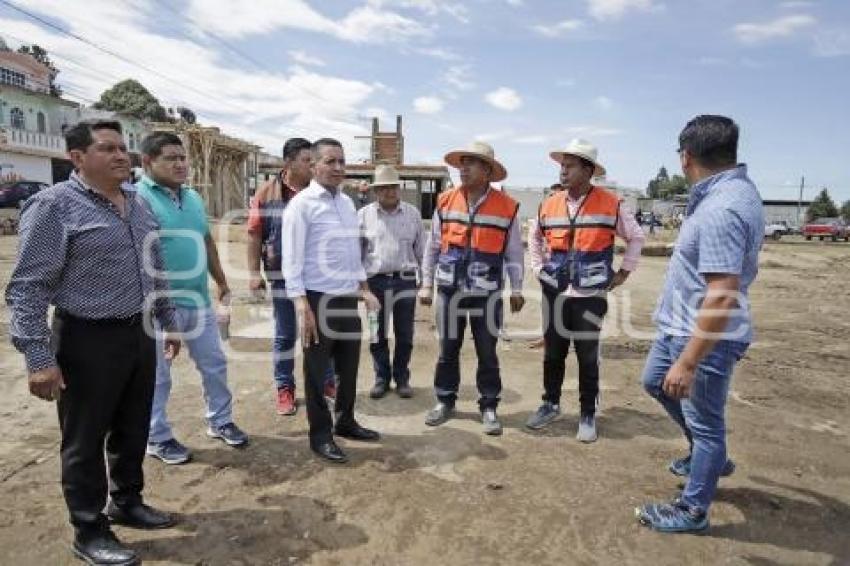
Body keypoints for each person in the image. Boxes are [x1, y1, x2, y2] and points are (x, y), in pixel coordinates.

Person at [6, 120, 181, 565]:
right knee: (84, 438)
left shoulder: (138, 206)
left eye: (123, 148)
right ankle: (88, 528)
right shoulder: (53, 207)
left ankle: (127, 500)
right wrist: (38, 358)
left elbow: (155, 266)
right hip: (87, 338)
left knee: (132, 425)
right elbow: (28, 287)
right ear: (78, 157)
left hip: (138, 334)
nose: (122, 156)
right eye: (108, 149)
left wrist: (169, 320)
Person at [635, 115, 763, 533]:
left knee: (707, 424)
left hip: (703, 337)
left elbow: (722, 294)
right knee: (655, 381)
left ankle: (693, 509)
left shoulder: (721, 209)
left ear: (686, 156)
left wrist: (689, 361)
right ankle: (710, 455)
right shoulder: (726, 193)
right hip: (678, 326)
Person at [137, 132, 248, 466]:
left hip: (197, 301)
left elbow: (207, 243)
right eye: (170, 158)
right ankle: (156, 437)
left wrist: (222, 283)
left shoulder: (194, 199)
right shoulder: (137, 198)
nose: (181, 163)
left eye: (182, 157)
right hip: (157, 305)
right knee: (157, 375)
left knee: (214, 363)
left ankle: (221, 421)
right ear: (148, 162)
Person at [526, 139, 645, 442]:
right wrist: (538, 268)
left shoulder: (611, 204)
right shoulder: (550, 202)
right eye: (561, 166)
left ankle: (587, 414)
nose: (563, 171)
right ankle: (550, 404)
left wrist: (623, 273)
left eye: (570, 166)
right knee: (553, 353)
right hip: (554, 292)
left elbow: (636, 237)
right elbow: (535, 237)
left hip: (590, 295)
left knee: (587, 356)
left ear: (588, 170)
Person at [281, 138, 382, 463]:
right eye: (330, 161)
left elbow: (353, 254)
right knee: (315, 371)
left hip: (346, 298)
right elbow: (291, 259)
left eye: (342, 161)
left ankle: (346, 421)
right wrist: (302, 306)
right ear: (313, 165)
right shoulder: (302, 205)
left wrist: (364, 288)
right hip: (316, 299)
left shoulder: (346, 204)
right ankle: (320, 436)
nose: (338, 167)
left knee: (348, 368)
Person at [419, 141, 524, 436]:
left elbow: (514, 252)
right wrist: (426, 284)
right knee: (447, 349)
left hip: (487, 294)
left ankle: (489, 406)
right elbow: (433, 247)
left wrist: (516, 288)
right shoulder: (445, 201)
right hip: (449, 291)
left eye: (471, 163)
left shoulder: (507, 207)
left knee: (487, 352)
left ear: (488, 171)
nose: (462, 168)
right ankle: (444, 400)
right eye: (461, 163)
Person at [246, 138, 336, 416]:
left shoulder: (321, 192)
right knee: (285, 335)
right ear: (289, 163)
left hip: (318, 276)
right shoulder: (266, 194)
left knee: (322, 332)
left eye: (313, 161)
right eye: (307, 161)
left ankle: (327, 381)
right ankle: (285, 387)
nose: (312, 166)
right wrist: (253, 273)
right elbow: (254, 234)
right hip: (282, 275)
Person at [358, 164, 424, 399]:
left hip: (405, 282)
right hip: (374, 284)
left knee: (405, 334)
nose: (390, 192)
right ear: (376, 191)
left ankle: (402, 378)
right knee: (377, 334)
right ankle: (381, 378)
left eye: (393, 187)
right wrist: (362, 288)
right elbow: (357, 255)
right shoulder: (364, 215)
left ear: (400, 188)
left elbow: (422, 252)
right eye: (384, 188)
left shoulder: (413, 214)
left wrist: (425, 284)